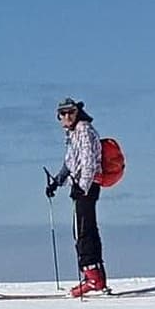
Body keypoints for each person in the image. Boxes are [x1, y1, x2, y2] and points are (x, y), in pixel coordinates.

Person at [44, 97, 109, 297]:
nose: (66, 116)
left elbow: (89, 160)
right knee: (87, 228)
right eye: (62, 113)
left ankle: (92, 278)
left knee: (81, 230)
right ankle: (97, 278)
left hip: (87, 186)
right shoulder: (73, 133)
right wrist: (57, 181)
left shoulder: (83, 130)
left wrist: (83, 186)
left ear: (77, 112)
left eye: (70, 112)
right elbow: (71, 162)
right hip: (83, 185)